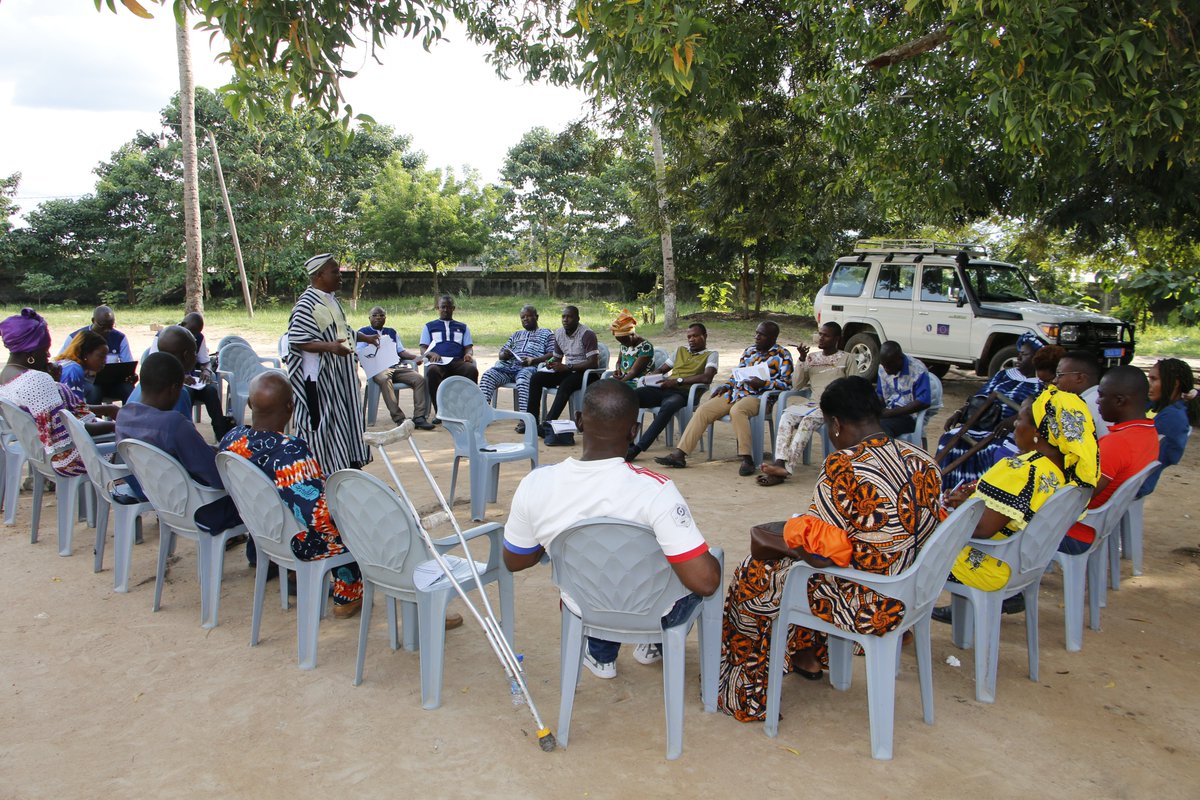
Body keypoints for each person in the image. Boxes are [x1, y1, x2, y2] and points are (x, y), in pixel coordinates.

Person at [718, 376, 943, 721]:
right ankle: (806, 655)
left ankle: (744, 694)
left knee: (756, 574)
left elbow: (823, 554)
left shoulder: (844, 465)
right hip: (912, 589)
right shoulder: (922, 459)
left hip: (868, 600)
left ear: (835, 424)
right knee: (792, 570)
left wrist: (782, 540)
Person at [503, 379, 721, 678]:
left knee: (598, 570)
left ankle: (600, 654)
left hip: (583, 608)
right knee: (689, 558)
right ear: (634, 431)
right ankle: (653, 641)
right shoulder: (655, 490)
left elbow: (515, 560)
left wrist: (553, 530)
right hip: (654, 613)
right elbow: (706, 583)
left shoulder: (536, 483)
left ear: (578, 420)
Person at [931, 385, 1099, 622]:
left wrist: (942, 513)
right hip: (1024, 565)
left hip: (990, 566)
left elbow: (982, 530)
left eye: (1019, 419)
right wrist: (974, 501)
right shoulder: (1065, 472)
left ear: (1038, 432)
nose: (1014, 427)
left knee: (904, 543)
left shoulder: (1021, 470)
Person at [218, 372, 371, 618]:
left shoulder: (231, 439)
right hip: (295, 541)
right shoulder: (290, 452)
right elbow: (319, 515)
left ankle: (292, 574)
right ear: (291, 406)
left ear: (249, 404)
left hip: (262, 531)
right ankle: (347, 596)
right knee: (352, 524)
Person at [115, 352, 242, 536]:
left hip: (158, 497)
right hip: (197, 506)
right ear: (174, 389)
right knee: (257, 497)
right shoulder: (174, 424)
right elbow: (215, 477)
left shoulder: (124, 415)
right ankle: (261, 559)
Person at [655, 321, 793, 476]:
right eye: (756, 333)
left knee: (737, 410)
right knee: (704, 410)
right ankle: (680, 455)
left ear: (773, 337)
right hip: (736, 393)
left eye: (761, 335)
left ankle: (747, 459)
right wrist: (726, 386)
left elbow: (787, 384)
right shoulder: (749, 351)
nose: (756, 337)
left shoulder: (783, 355)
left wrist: (764, 383)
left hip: (760, 398)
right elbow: (737, 375)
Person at [286, 253, 377, 474]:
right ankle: (320, 473)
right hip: (318, 381)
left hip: (339, 378)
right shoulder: (306, 304)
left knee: (342, 421)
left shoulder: (330, 300)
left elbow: (341, 331)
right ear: (319, 275)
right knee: (320, 426)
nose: (340, 276)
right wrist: (331, 348)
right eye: (335, 272)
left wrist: (364, 338)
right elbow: (297, 339)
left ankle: (345, 465)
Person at [0, 308, 114, 476]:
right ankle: (130, 499)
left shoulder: (6, 376)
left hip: (43, 456)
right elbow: (71, 431)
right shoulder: (36, 379)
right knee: (132, 447)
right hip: (67, 458)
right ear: (30, 354)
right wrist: (115, 426)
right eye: (45, 350)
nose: (48, 355)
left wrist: (51, 381)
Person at [1057, 366, 1157, 554]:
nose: (1097, 401)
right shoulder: (1148, 433)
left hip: (1075, 532)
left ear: (1119, 401)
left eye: (1101, 396)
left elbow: (1075, 498)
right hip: (1099, 526)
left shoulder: (1117, 444)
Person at [936, 333, 1043, 488]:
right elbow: (980, 397)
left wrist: (1013, 421)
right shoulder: (1003, 375)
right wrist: (960, 413)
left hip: (1010, 431)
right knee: (949, 439)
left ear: (1036, 359)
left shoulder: (1042, 385)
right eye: (1018, 354)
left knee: (997, 448)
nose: (1018, 359)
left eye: (1024, 355)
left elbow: (1035, 412)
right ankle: (946, 490)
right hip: (982, 423)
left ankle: (978, 492)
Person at [757, 322, 850, 486]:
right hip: (814, 404)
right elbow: (797, 385)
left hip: (835, 406)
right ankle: (780, 462)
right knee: (787, 415)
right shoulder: (812, 358)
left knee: (807, 421)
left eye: (826, 335)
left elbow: (855, 385)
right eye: (820, 334)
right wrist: (801, 359)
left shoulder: (847, 358)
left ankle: (786, 469)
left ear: (837, 339)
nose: (821, 338)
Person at [625, 322, 718, 463]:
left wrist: (677, 381)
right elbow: (662, 369)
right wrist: (653, 376)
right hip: (665, 388)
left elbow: (707, 377)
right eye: (689, 337)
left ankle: (637, 449)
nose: (691, 339)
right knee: (631, 397)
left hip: (684, 394)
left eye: (695, 336)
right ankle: (627, 442)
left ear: (705, 336)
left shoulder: (711, 355)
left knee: (668, 406)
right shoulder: (680, 350)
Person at [478, 305, 554, 433]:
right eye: (522, 317)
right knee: (487, 376)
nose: (525, 319)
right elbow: (501, 353)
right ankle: (481, 415)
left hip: (530, 367)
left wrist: (533, 360)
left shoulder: (547, 333)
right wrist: (504, 354)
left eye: (528, 316)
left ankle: (525, 419)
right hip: (509, 367)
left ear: (536, 317)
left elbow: (552, 354)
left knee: (524, 379)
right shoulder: (516, 335)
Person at [358, 305, 435, 430]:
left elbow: (401, 351)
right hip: (378, 369)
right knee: (384, 379)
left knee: (419, 379)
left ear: (385, 318)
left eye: (381, 315)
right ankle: (400, 419)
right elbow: (360, 354)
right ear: (369, 318)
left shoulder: (392, 332)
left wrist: (415, 358)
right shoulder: (363, 333)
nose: (378, 318)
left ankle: (419, 417)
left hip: (396, 367)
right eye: (375, 315)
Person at [526, 305, 601, 431]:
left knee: (566, 384)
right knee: (536, 378)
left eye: (570, 317)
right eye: (563, 316)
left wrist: (568, 367)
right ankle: (531, 421)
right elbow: (557, 358)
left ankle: (547, 424)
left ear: (578, 318)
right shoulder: (559, 333)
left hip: (586, 373)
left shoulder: (587, 334)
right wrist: (550, 363)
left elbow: (594, 363)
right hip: (568, 370)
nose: (565, 319)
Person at [1140, 357, 1199, 497]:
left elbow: (1168, 456)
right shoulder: (1165, 408)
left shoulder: (1172, 418)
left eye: (1154, 379)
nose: (1149, 385)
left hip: (1138, 483)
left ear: (1175, 383)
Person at [61, 305, 136, 403]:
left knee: (129, 390)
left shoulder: (119, 338)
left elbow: (127, 364)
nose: (107, 330)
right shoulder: (77, 337)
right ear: (93, 321)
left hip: (112, 382)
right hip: (87, 381)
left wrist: (131, 375)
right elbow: (62, 362)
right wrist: (86, 370)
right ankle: (94, 417)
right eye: (103, 326)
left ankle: (130, 417)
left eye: (111, 326)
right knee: (95, 391)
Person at [420, 294, 479, 418]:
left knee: (471, 370)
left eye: (449, 307)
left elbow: (468, 347)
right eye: (443, 307)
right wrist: (431, 353)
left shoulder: (462, 327)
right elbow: (423, 349)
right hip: (438, 361)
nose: (446, 310)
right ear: (438, 308)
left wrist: (468, 355)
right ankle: (440, 412)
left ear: (453, 308)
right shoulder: (429, 327)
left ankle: (466, 411)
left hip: (457, 361)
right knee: (432, 371)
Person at [875, 340, 931, 438]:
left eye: (889, 365)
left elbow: (924, 402)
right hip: (888, 411)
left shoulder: (918, 370)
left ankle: (888, 452)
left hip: (909, 417)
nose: (886, 369)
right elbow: (880, 393)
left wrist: (890, 413)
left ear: (899, 359)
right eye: (884, 366)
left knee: (881, 428)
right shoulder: (883, 367)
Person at [1052, 350, 1108, 438]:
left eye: (1059, 374)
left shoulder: (1079, 407)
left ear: (1079, 378)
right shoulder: (1105, 400)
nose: (1054, 380)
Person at [55, 331, 108, 402]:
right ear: (86, 354)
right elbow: (75, 408)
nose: (104, 361)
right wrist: (109, 408)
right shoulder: (74, 370)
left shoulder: (67, 364)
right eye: (101, 356)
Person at [608, 309, 654, 387]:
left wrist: (619, 384)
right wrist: (618, 370)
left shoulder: (646, 347)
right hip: (624, 380)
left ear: (632, 334)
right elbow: (619, 362)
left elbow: (633, 372)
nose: (623, 344)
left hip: (638, 383)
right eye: (620, 342)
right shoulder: (624, 344)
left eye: (625, 341)